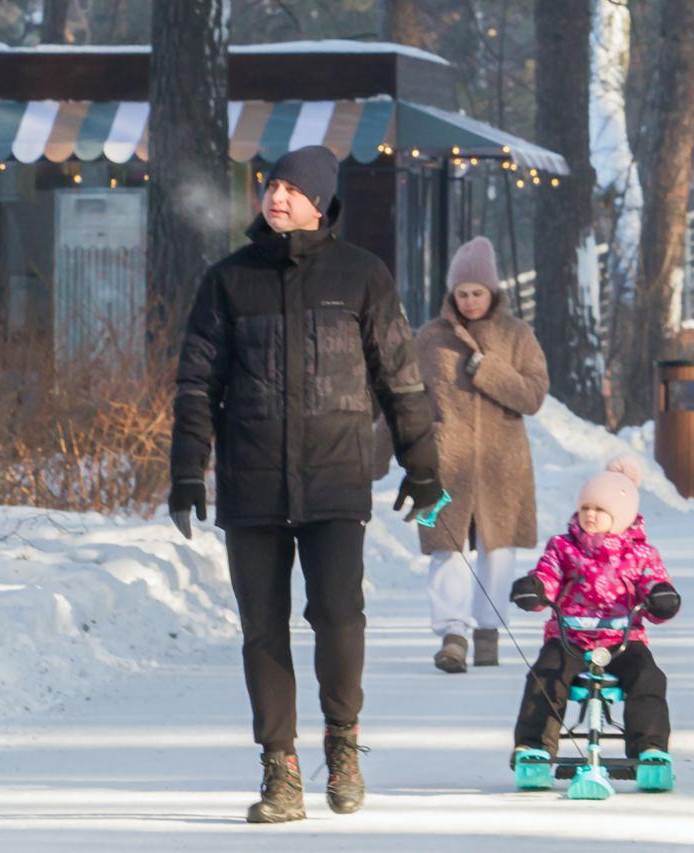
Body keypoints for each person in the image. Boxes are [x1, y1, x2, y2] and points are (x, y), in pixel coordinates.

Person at [167, 145, 441, 823]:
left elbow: (400, 378)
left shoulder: (362, 276)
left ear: (321, 200)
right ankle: (279, 768)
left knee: (339, 617)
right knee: (263, 628)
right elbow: (197, 383)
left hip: (336, 477)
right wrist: (185, 470)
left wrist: (423, 464)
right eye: (270, 185)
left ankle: (342, 743)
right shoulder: (228, 280)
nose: (276, 196)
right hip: (251, 481)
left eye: (291, 187)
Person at [415, 236, 549, 672]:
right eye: (462, 293)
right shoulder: (431, 338)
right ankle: (452, 635)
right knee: (446, 549)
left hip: (501, 466)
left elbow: (533, 395)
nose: (470, 301)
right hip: (444, 462)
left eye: (478, 293)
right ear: (451, 294)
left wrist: (489, 371)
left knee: (498, 549)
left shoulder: (517, 336)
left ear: (493, 292)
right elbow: (405, 399)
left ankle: (489, 630)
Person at [508, 456, 680, 768]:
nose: (590, 514)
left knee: (648, 677)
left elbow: (654, 582)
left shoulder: (641, 554)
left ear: (622, 516)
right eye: (586, 507)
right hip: (569, 637)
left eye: (600, 510)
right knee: (546, 676)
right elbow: (549, 576)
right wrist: (535, 589)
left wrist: (660, 596)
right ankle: (533, 748)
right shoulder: (563, 547)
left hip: (623, 640)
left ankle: (650, 748)